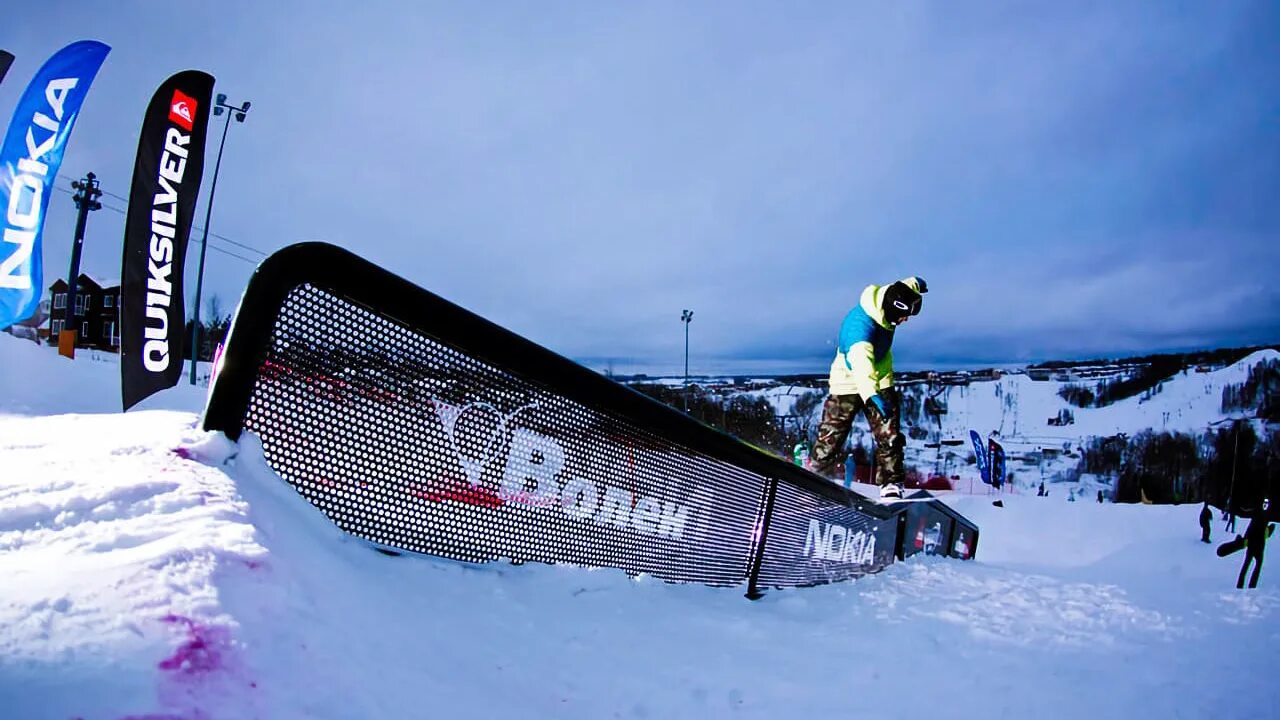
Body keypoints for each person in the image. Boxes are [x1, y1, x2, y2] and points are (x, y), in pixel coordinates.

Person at [809, 276, 927, 499]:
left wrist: (917, 284)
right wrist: (870, 394)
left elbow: (905, 286)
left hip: (880, 378)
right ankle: (815, 477)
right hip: (848, 381)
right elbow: (861, 366)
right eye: (903, 316)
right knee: (832, 434)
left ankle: (891, 483)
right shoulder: (859, 329)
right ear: (893, 310)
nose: (905, 321)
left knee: (889, 434)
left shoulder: (889, 298)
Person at [1237, 498, 1275, 590]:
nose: (1265, 505)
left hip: (1257, 545)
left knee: (1252, 566)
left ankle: (1247, 586)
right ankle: (1246, 586)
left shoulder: (1263, 516)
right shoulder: (1261, 516)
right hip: (1256, 545)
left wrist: (1269, 530)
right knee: (1248, 565)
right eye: (1264, 503)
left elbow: (1263, 532)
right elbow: (1251, 529)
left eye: (1267, 504)